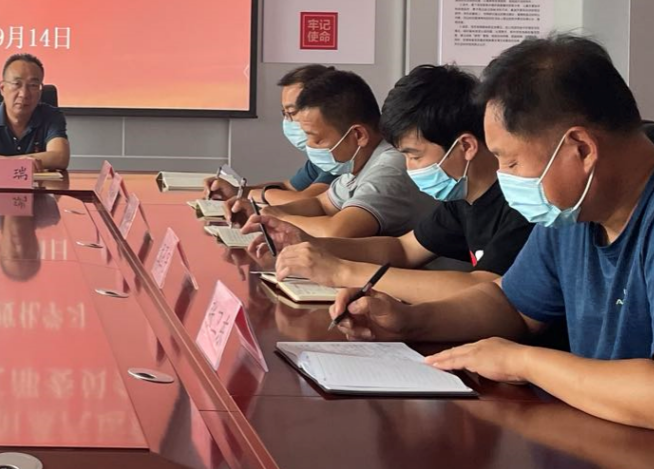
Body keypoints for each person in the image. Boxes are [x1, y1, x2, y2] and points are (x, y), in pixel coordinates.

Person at [332, 34, 654, 469]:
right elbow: (511, 305)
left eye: (511, 162)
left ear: (581, 149)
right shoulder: (577, 209)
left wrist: (522, 361)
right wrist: (409, 321)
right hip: (616, 451)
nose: (504, 178)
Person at [247, 64, 533, 303]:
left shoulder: (521, 204)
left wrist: (343, 272)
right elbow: (402, 249)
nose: (408, 167)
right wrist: (308, 242)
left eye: (415, 156)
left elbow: (484, 288)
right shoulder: (462, 198)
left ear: (466, 146)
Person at [249, 69, 434, 238]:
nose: (309, 145)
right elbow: (321, 204)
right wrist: (265, 212)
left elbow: (337, 231)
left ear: (358, 135)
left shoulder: (390, 166)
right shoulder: (357, 164)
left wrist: (278, 218)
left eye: (317, 139)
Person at [204, 64, 335, 203]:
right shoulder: (319, 158)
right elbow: (289, 187)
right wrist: (237, 192)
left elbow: (305, 200)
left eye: (291, 112)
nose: (288, 121)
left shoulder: (338, 159)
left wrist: (254, 195)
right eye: (284, 113)